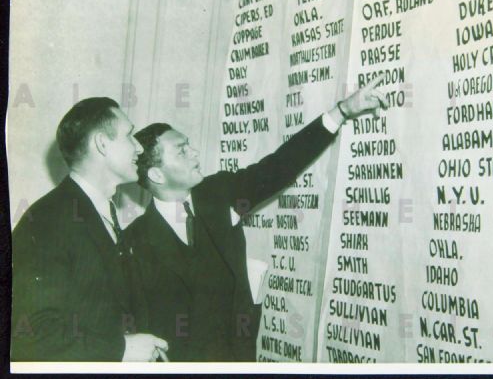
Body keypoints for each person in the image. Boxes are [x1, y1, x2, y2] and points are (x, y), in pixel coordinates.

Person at [127, 76, 389, 361]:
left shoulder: (219, 192)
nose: (194, 153)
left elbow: (279, 167)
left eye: (189, 145)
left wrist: (342, 111)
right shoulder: (134, 241)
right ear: (156, 174)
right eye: (181, 150)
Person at [11, 97, 169, 362]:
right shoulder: (46, 221)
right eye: (129, 135)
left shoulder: (98, 211)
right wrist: (120, 350)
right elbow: (29, 335)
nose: (139, 147)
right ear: (101, 144)